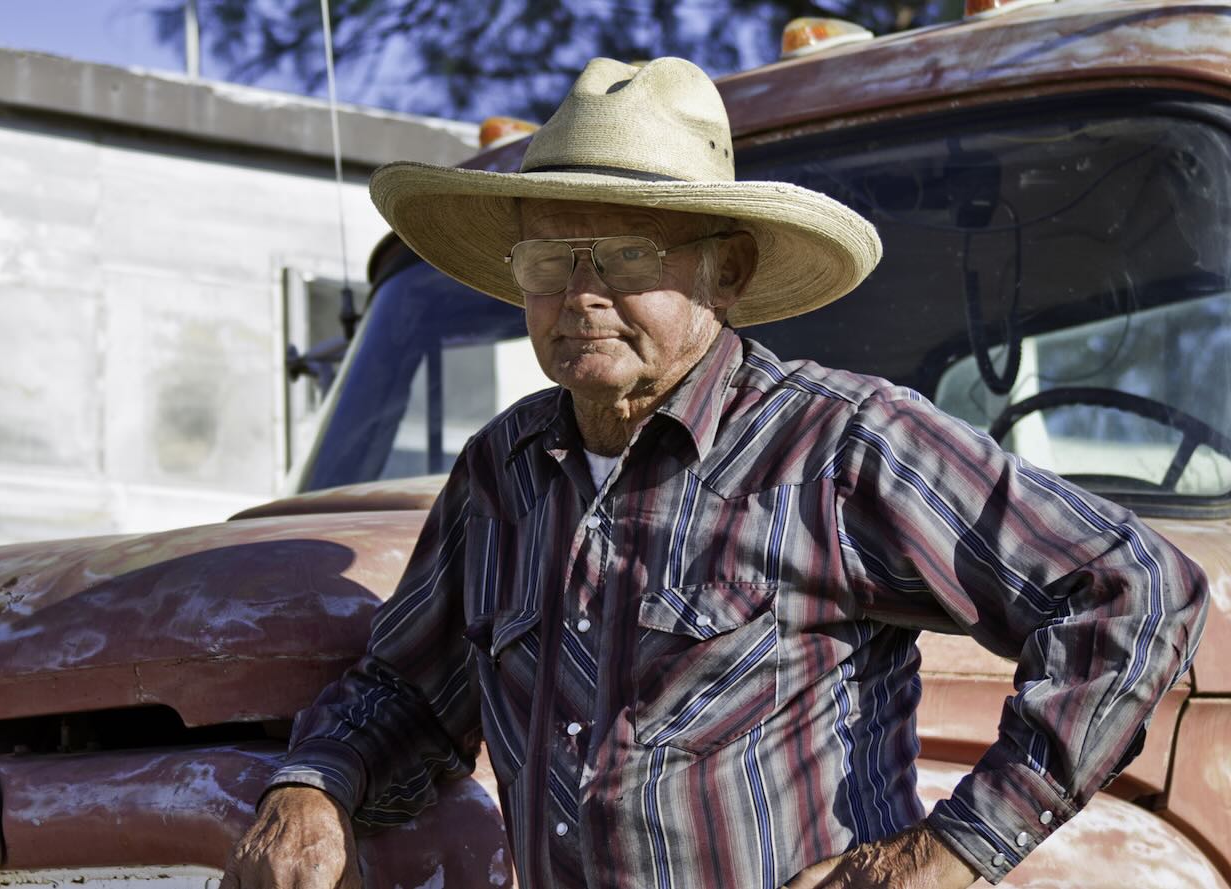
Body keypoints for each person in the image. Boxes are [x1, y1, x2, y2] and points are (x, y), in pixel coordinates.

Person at [220, 57, 1208, 889]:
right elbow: (407, 685)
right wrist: (312, 784)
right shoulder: (502, 472)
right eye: (547, 261)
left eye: (622, 254)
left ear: (723, 272)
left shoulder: (840, 445)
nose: (580, 297)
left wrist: (949, 849)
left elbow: (1134, 589)